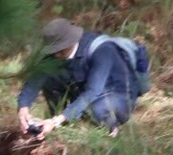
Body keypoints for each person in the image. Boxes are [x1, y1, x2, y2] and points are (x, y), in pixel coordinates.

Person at [18, 18, 147, 140]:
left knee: (96, 111)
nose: (56, 54)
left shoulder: (103, 49)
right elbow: (34, 81)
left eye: (60, 49)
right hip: (85, 90)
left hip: (117, 94)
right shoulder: (55, 54)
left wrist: (57, 120)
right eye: (53, 50)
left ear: (71, 41)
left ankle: (110, 127)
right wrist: (23, 110)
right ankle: (63, 123)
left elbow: (93, 91)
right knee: (49, 79)